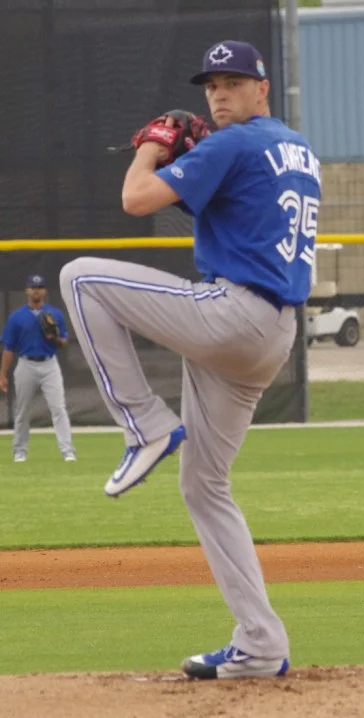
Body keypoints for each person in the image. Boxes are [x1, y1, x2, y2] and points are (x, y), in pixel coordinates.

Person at [59, 40, 321, 679]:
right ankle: (261, 642)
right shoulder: (296, 149)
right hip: (274, 334)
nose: (219, 94)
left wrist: (152, 146)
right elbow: (226, 200)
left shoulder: (233, 144)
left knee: (80, 278)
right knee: (203, 485)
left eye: (233, 82)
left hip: (233, 315)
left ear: (262, 88)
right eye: (211, 85)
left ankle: (144, 424)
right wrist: (190, 155)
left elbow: (136, 198)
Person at [0, 274, 76, 462]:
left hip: (49, 364)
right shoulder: (16, 317)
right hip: (26, 364)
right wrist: (3, 374)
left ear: (45, 291)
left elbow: (63, 342)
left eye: (40, 287)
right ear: (27, 291)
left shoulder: (55, 314)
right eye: (33, 287)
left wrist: (54, 337)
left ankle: (68, 451)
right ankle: (20, 451)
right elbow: (9, 348)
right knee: (22, 410)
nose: (36, 291)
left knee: (58, 408)